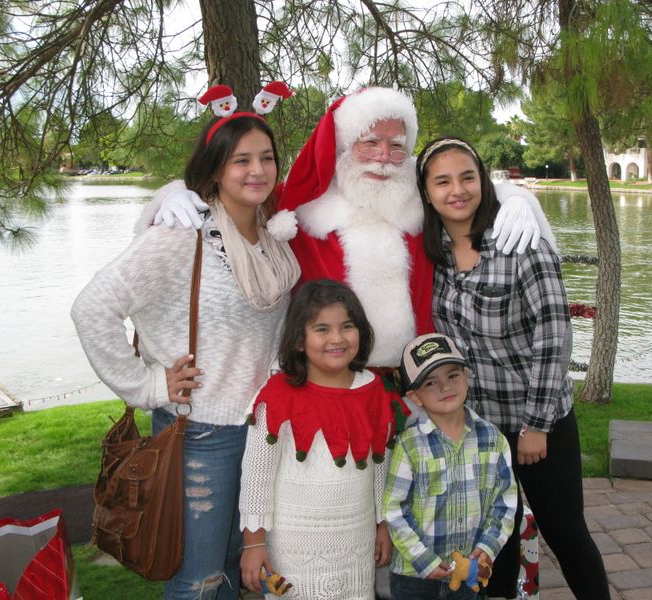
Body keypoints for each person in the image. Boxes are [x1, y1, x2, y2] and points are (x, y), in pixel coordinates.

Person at [71, 92, 300, 599]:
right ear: (215, 167)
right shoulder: (183, 234)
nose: (257, 170)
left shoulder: (270, 236)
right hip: (202, 430)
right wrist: (147, 385)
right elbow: (93, 307)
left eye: (266, 157)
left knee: (245, 569)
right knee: (199, 580)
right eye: (241, 159)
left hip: (263, 431)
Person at [153, 86, 554, 368]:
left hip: (415, 379)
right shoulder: (300, 208)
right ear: (345, 146)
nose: (383, 157)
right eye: (370, 142)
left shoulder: (418, 202)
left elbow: (462, 190)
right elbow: (235, 197)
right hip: (328, 378)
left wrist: (515, 197)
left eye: (396, 146)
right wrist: (174, 194)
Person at [415, 137, 609, 600]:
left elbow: (554, 336)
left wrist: (536, 425)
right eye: (442, 181)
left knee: (565, 533)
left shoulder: (520, 243)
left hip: (537, 423)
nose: (457, 190)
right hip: (478, 428)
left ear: (483, 180)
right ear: (425, 192)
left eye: (467, 177)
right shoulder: (433, 255)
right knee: (491, 544)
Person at [238, 279, 397, 599]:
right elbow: (256, 475)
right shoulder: (277, 396)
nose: (336, 338)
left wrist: (383, 524)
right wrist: (254, 542)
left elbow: (381, 464)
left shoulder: (374, 390)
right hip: (293, 546)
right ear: (299, 339)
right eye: (322, 329)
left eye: (347, 326)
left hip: (355, 540)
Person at [383, 333, 517, 600]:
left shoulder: (493, 439)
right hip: (415, 577)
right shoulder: (409, 445)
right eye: (431, 382)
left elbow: (505, 502)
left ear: (467, 377)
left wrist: (487, 549)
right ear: (415, 396)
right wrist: (424, 559)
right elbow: (395, 509)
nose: (445, 387)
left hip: (468, 572)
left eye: (453, 376)